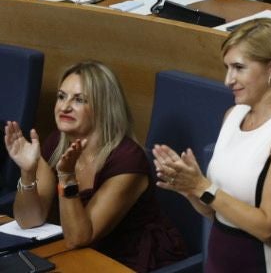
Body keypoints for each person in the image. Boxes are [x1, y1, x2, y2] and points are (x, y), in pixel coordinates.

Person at [154, 18, 271, 273]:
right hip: (220, 260)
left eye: (239, 68)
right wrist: (187, 186)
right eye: (227, 68)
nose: (228, 80)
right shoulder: (233, 115)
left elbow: (267, 227)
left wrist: (202, 186)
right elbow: (215, 212)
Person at [4, 61, 187, 272]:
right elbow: (29, 220)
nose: (64, 107)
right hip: (79, 257)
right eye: (61, 96)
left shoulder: (127, 160)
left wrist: (67, 177)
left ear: (104, 107)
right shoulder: (56, 143)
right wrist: (28, 172)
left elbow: (79, 237)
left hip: (130, 262)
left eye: (79, 100)